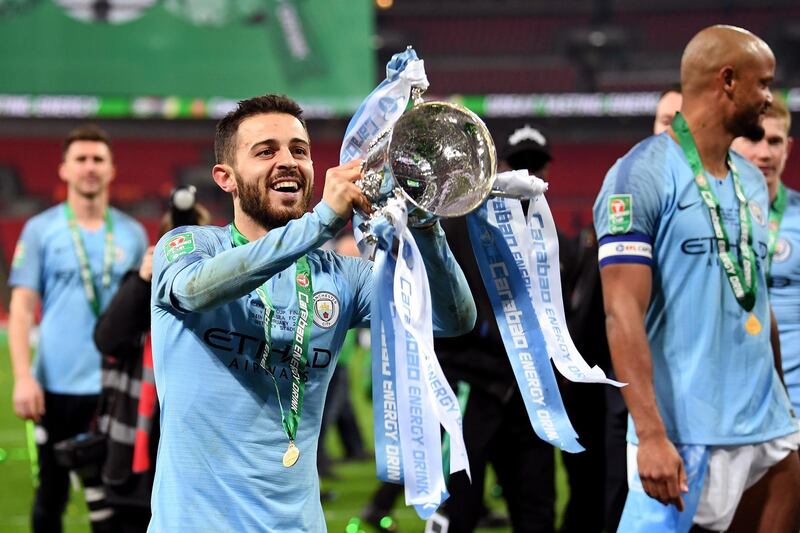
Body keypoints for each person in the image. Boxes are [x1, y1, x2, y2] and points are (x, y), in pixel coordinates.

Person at [148, 94, 476, 531]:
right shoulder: (189, 246)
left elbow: (453, 319)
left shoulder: (342, 277)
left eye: (299, 150)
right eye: (266, 151)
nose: (288, 161)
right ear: (226, 178)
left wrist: (426, 223)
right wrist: (321, 221)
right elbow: (197, 290)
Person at [595, 25, 800, 532]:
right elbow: (622, 314)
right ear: (727, 81)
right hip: (687, 432)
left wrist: (786, 406)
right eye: (763, 84)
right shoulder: (638, 176)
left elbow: (755, 304)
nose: (768, 98)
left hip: (766, 428)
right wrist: (651, 435)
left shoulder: (752, 180)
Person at [426, 124, 569, 533]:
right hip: (469, 389)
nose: (527, 176)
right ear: (498, 166)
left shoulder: (550, 239)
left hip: (530, 394)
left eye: (535, 167)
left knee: (537, 510)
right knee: (456, 512)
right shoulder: (456, 227)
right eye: (518, 165)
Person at [8, 124, 148, 533]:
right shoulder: (40, 231)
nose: (90, 168)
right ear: (64, 170)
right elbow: (21, 307)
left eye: (98, 160)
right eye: (81, 160)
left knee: (112, 501)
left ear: (111, 170)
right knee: (50, 496)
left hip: (113, 390)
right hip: (54, 388)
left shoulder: (132, 234)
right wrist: (22, 377)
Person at [92, 192, 211, 532]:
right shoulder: (140, 286)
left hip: (196, 466)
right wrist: (144, 280)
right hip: (137, 461)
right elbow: (107, 339)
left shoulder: (223, 296)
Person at [732, 96, 800, 421]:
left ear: (788, 147)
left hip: (796, 397)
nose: (765, 153)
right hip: (734, 396)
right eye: (754, 138)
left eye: (775, 141)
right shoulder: (710, 218)